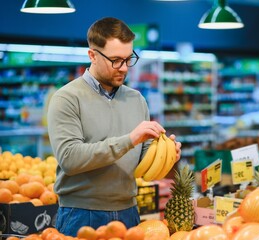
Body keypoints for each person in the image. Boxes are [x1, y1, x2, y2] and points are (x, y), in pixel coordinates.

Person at [47, 17, 182, 236]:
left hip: (129, 211)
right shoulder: (67, 98)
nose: (124, 68)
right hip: (81, 213)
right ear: (92, 55)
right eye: (116, 60)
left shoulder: (137, 99)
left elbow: (142, 158)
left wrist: (167, 155)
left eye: (129, 59)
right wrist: (129, 139)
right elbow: (70, 158)